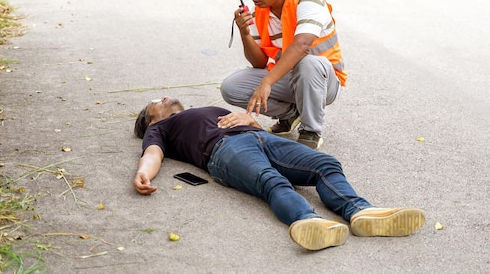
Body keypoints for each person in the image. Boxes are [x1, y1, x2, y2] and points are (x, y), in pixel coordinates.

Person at [133, 97, 426, 251]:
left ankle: (360, 212)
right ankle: (308, 221)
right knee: (271, 181)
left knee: (325, 165)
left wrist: (250, 119)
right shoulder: (160, 129)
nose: (165, 96)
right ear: (151, 120)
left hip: (261, 138)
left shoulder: (202, 109)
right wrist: (144, 175)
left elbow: (251, 123)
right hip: (222, 151)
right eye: (156, 102)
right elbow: (153, 153)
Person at [221, 0, 346, 150]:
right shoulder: (258, 12)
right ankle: (291, 114)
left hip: (323, 82)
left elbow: (302, 45)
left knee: (308, 62)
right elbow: (259, 63)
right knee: (231, 86)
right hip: (289, 79)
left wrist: (267, 82)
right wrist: (244, 33)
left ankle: (311, 131)